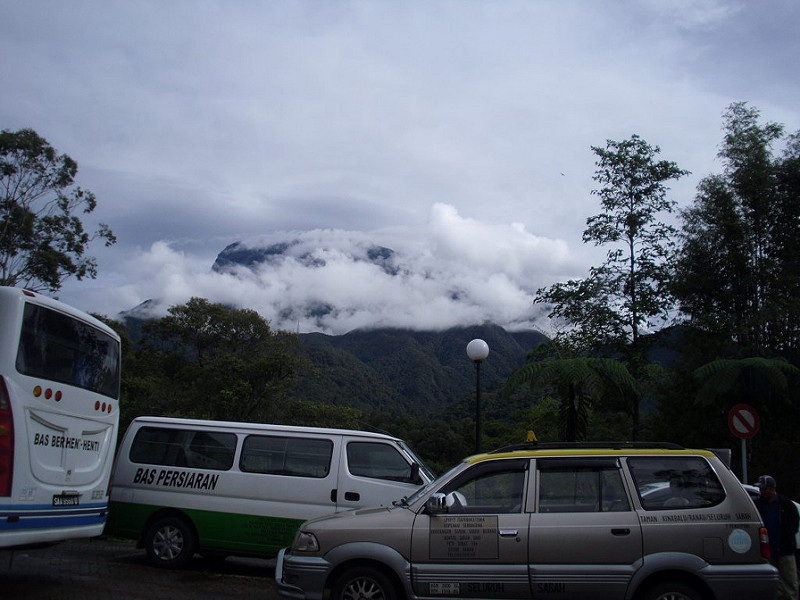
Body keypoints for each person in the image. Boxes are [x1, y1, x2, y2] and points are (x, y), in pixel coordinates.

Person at [755, 475, 799, 600]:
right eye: (761, 489)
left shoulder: (786, 504)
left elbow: (794, 523)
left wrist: (787, 538)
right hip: (768, 549)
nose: (762, 492)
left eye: (764, 489)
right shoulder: (759, 505)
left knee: (789, 579)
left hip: (785, 549)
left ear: (772, 488)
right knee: (774, 582)